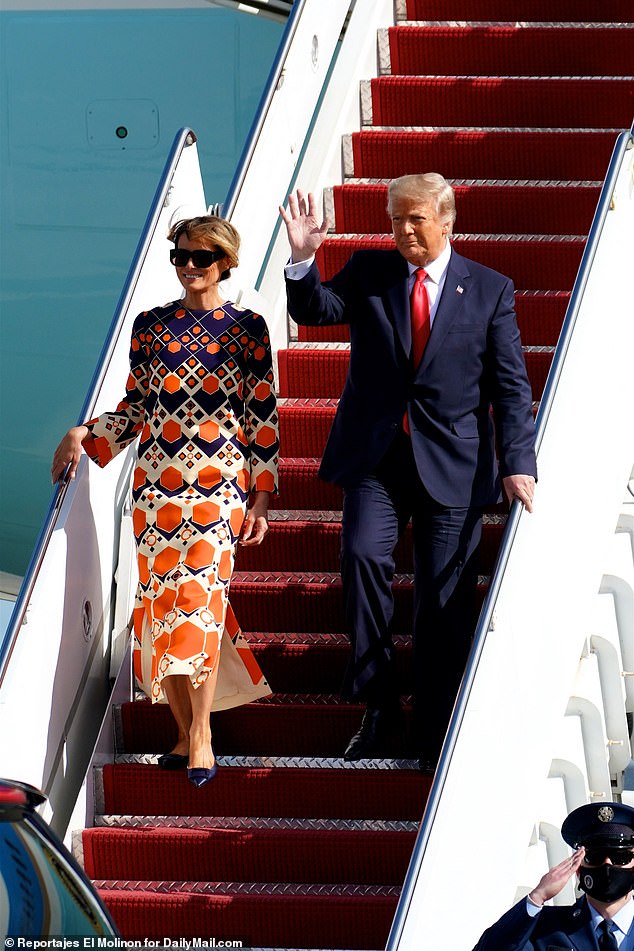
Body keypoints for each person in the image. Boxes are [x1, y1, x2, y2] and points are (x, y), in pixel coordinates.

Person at [279, 174, 536, 772]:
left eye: (415, 219)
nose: (403, 231)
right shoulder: (372, 271)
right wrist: (302, 258)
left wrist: (517, 464)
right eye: (395, 219)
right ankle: (378, 702)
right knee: (363, 556)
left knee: (441, 602)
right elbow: (318, 310)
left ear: (447, 220)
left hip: (456, 463)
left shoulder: (490, 289)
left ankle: (433, 726)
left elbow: (510, 386)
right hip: (379, 459)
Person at [52, 215, 279, 788]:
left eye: (200, 257)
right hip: (155, 489)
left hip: (219, 485)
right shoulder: (151, 327)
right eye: (179, 256)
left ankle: (202, 732)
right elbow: (136, 410)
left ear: (224, 261)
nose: (188, 267)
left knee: (198, 605)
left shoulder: (248, 328)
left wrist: (262, 494)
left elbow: (261, 415)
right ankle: (181, 732)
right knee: (161, 612)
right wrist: (85, 433)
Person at [473, 801, 634, 949]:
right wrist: (537, 896)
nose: (607, 864)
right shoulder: (544, 928)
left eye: (621, 857)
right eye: (594, 857)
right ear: (578, 870)